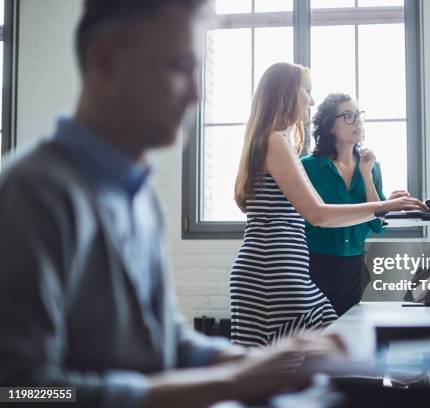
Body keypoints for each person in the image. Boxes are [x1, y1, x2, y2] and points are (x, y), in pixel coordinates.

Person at [0, 1, 345, 407]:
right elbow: (22, 392)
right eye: (181, 67)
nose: (197, 93)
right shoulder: (32, 194)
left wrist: (253, 363)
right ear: (107, 60)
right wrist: (228, 384)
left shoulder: (139, 196)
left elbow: (165, 341)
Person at [231, 63, 428, 347]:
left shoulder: (279, 142)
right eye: (306, 91)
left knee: (323, 356)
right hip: (270, 276)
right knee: (311, 361)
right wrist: (384, 207)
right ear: (286, 93)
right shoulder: (275, 141)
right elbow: (318, 214)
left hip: (284, 272)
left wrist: (382, 205)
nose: (311, 101)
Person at [301, 93, 413, 316]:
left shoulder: (371, 166)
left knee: (347, 334)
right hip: (315, 264)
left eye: (358, 115)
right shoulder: (307, 168)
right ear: (330, 126)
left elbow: (377, 224)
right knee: (317, 334)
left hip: (354, 266)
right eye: (348, 116)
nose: (358, 121)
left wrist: (367, 174)